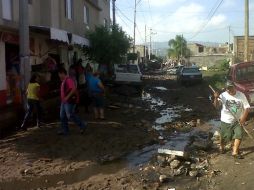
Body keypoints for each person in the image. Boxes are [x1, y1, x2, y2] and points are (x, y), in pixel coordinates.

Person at [213, 80, 250, 159]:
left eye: (231, 88)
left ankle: (235, 152)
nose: (230, 90)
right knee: (225, 137)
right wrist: (216, 98)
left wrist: (243, 119)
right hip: (226, 120)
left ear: (235, 87)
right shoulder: (223, 95)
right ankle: (221, 147)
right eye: (228, 89)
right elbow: (216, 106)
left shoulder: (241, 95)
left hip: (238, 120)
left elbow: (247, 108)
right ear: (226, 89)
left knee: (239, 134)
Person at [58, 67, 87, 135]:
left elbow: (73, 89)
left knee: (70, 115)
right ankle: (65, 130)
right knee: (62, 116)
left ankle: (82, 125)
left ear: (62, 73)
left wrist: (67, 97)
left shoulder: (68, 80)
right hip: (64, 101)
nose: (59, 76)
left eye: (59, 74)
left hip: (68, 101)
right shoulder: (64, 81)